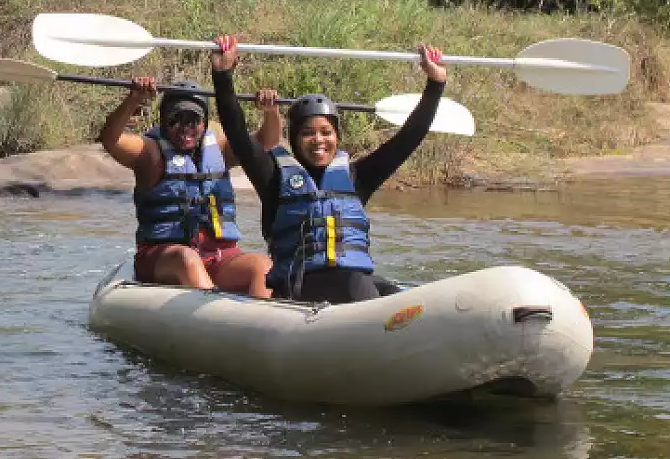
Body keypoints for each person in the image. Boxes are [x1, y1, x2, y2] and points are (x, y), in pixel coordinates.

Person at [210, 35, 448, 304]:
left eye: (326, 132)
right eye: (308, 134)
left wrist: (435, 84)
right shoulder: (274, 178)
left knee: (394, 293)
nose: (319, 141)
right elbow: (238, 135)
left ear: (337, 136)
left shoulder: (357, 177)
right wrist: (223, 74)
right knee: (356, 284)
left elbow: (407, 139)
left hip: (350, 284)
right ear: (296, 139)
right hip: (298, 287)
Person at [100, 77, 278, 294]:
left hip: (218, 255)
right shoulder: (150, 153)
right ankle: (217, 316)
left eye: (193, 120)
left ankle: (258, 320)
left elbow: (266, 142)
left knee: (263, 266)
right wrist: (133, 100)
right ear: (164, 120)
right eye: (176, 119)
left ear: (204, 123)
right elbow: (110, 139)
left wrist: (270, 112)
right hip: (165, 256)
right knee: (188, 259)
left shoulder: (221, 149)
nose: (185, 128)